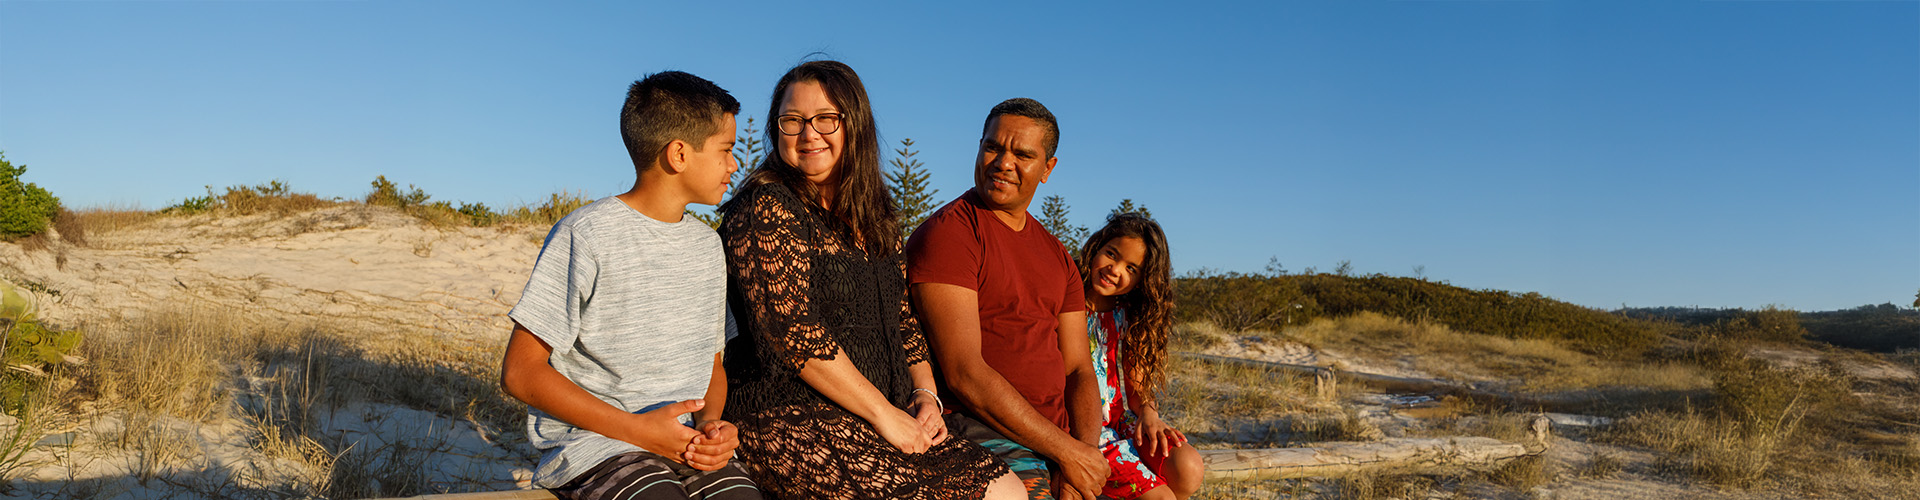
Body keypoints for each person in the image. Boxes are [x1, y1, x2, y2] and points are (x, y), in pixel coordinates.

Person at [719, 60, 1022, 500]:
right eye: (792, 121)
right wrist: (883, 414)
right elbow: (795, 334)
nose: (808, 134)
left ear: (854, 124)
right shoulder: (767, 205)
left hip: (882, 413)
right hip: (792, 414)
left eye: (826, 119)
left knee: (1006, 489)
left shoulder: (877, 216)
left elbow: (903, 321)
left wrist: (925, 397)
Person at [500, 71, 761, 500]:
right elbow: (521, 371)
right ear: (678, 154)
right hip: (599, 446)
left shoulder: (707, 246)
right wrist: (638, 431)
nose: (734, 164)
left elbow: (713, 364)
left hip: (685, 446)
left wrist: (711, 422)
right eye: (726, 150)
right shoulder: (586, 234)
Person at [906, 98, 1109, 500]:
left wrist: (1084, 453)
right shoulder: (951, 235)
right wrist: (1067, 452)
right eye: (993, 147)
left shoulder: (1058, 257)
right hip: (980, 430)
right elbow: (965, 375)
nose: (1003, 162)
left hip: (1057, 440)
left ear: (1048, 168)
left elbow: (1079, 370)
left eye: (1023, 154)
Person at [1076, 213, 1204, 500]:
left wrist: (1148, 413)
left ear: (1142, 280)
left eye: (1131, 268)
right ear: (1096, 247)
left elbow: (1137, 388)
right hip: (1078, 427)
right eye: (1111, 254)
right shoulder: (1066, 298)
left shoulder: (1128, 313)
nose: (1115, 269)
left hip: (1116, 422)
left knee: (1188, 467)